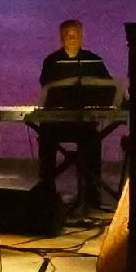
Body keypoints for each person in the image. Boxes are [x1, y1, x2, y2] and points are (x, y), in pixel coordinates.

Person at [35, 19, 116, 207]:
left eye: (75, 35)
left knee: (92, 141)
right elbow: (46, 88)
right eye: (67, 35)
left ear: (81, 37)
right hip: (56, 124)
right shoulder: (51, 61)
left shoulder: (93, 60)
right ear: (61, 37)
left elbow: (107, 86)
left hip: (84, 124)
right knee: (45, 138)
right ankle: (47, 194)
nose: (71, 39)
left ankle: (90, 194)